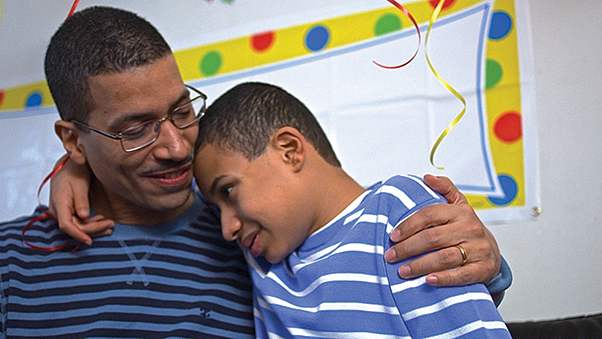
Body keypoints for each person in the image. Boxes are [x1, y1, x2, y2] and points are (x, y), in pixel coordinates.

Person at [0, 5, 508, 338]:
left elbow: (362, 255)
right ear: (73, 140)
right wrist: (75, 170)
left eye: (181, 111)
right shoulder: (11, 261)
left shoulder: (255, 241)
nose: (177, 147)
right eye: (136, 129)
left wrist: (479, 258)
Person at [193, 81, 512, 338]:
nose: (226, 229)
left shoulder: (397, 213)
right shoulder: (261, 259)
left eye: (229, 191)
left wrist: (492, 269)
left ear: (289, 151)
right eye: (216, 207)